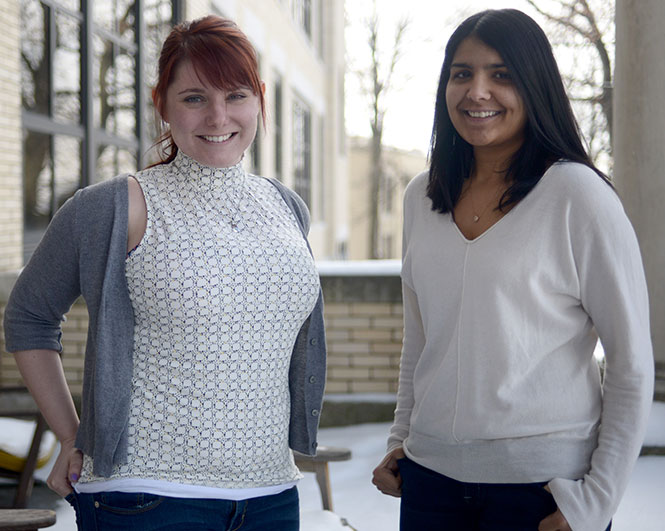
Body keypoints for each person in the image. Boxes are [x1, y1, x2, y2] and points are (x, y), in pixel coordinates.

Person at [4, 15, 326, 531]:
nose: (219, 115)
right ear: (162, 104)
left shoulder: (286, 207)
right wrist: (72, 436)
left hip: (271, 497)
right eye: (195, 97)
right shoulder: (116, 207)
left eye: (237, 94)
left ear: (261, 98)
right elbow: (28, 318)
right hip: (147, 501)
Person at [372, 9, 653, 531]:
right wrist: (400, 442)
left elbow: (631, 361)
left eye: (502, 75)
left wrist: (596, 501)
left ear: (535, 85)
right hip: (430, 485)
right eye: (462, 73)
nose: (477, 91)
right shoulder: (421, 198)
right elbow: (422, 341)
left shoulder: (579, 196)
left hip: (541, 493)